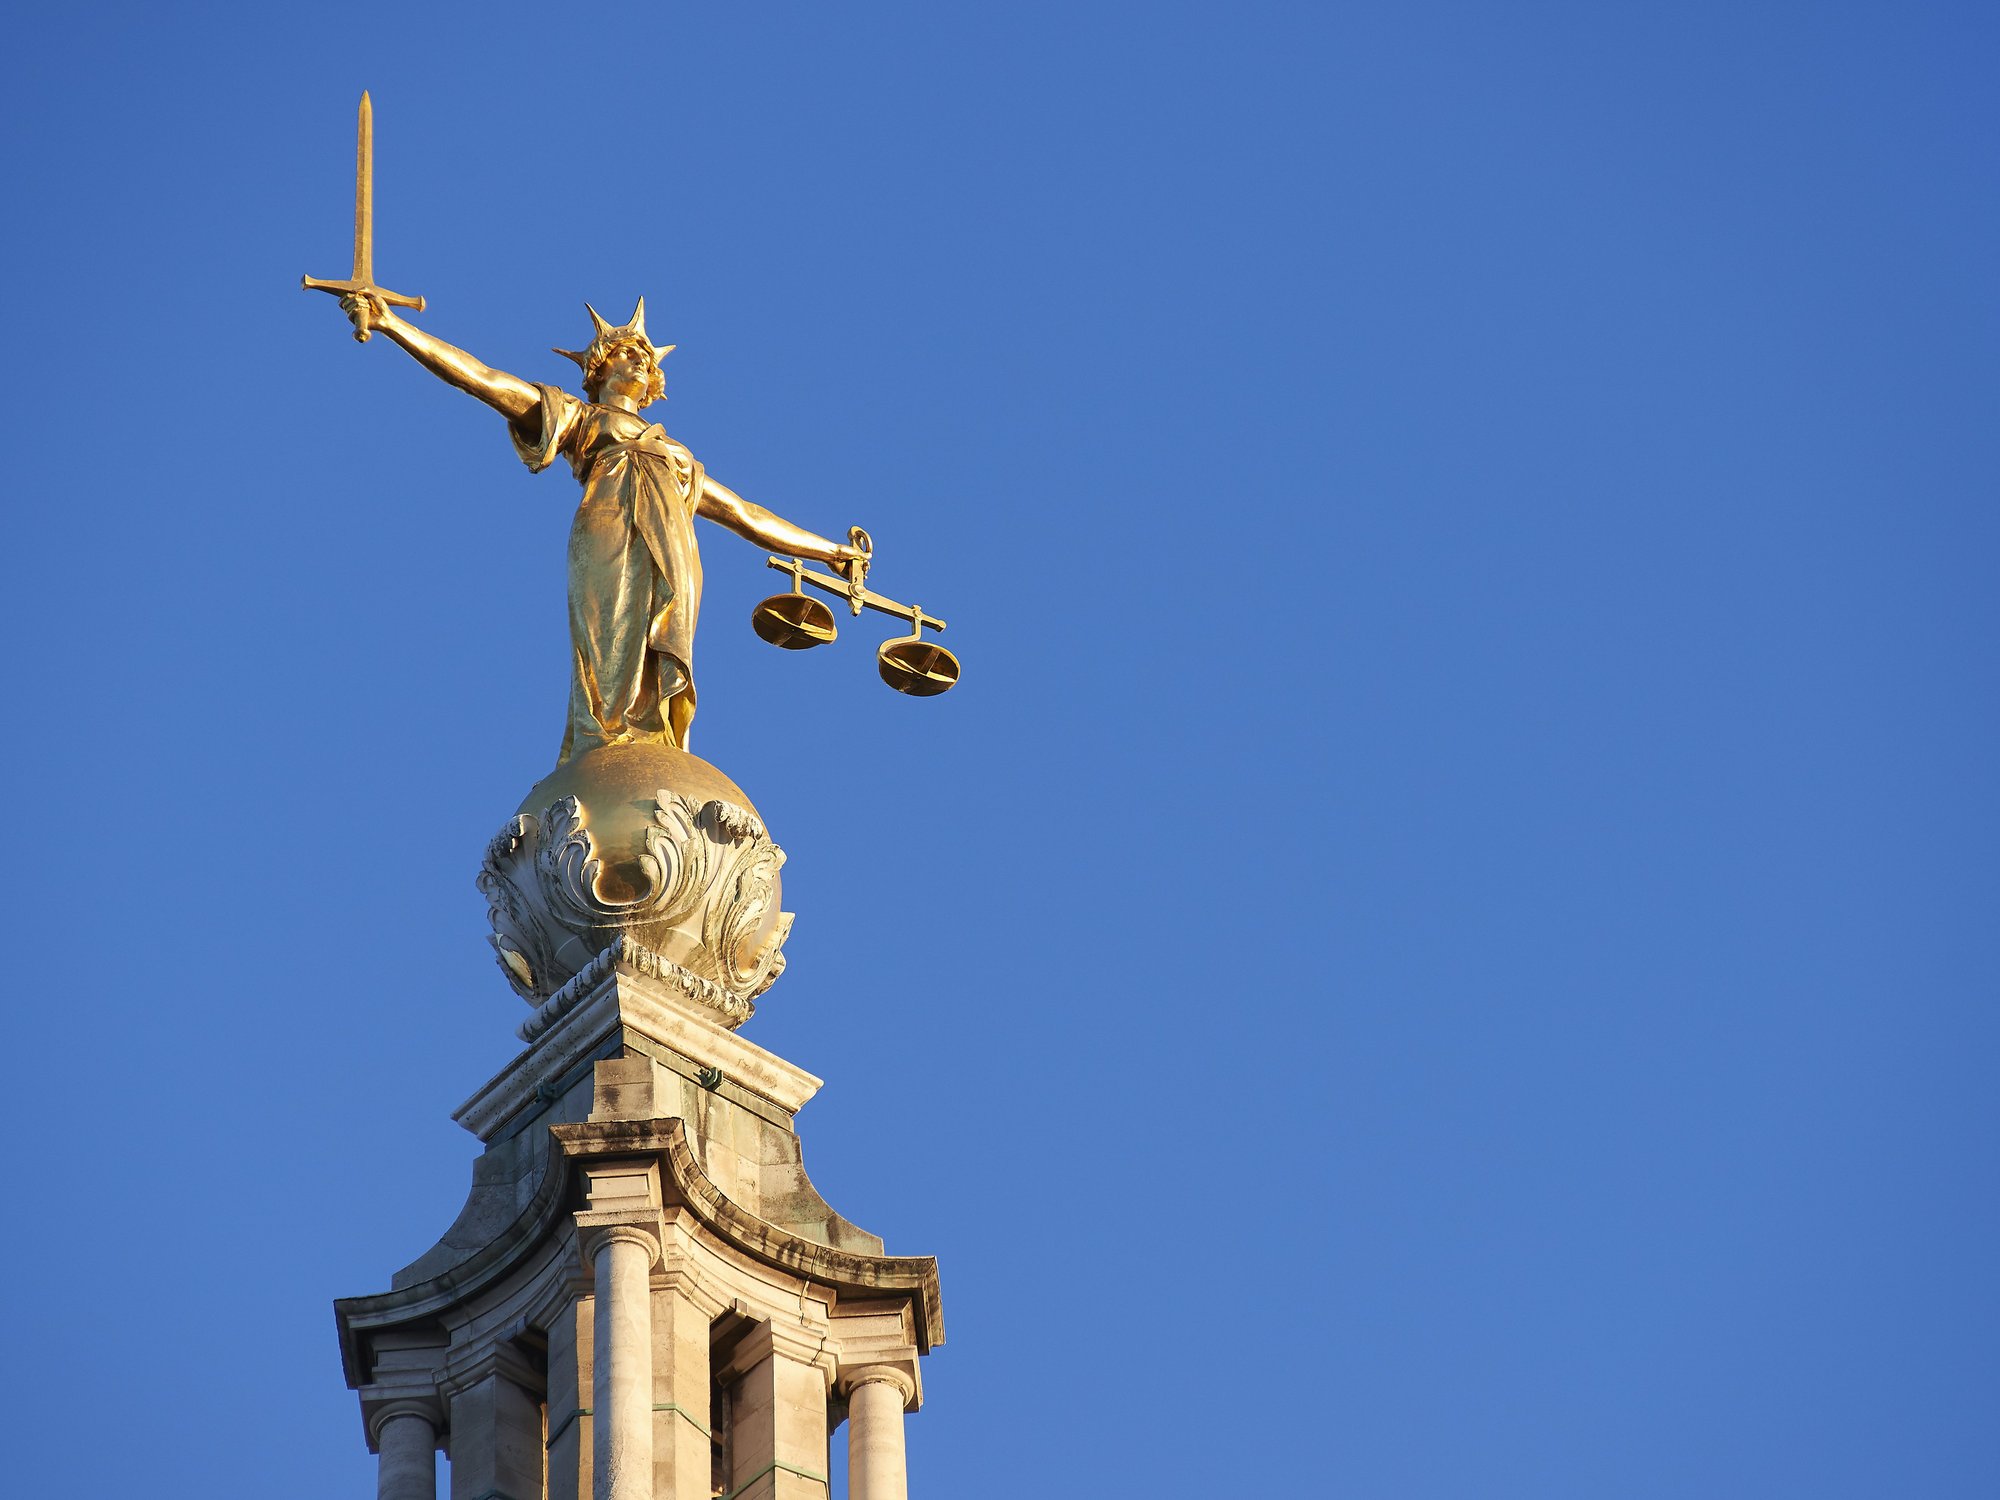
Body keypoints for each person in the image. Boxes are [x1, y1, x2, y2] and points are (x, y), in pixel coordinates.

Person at [334, 293, 865, 759]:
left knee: (665, 627)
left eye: (643, 357)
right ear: (598, 369)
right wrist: (395, 326)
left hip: (675, 546)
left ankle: (651, 737)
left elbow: (745, 513)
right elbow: (486, 381)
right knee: (610, 635)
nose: (636, 360)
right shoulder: (582, 418)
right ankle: (606, 742)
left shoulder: (676, 455)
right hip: (609, 531)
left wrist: (829, 553)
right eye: (625, 353)